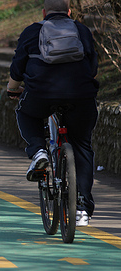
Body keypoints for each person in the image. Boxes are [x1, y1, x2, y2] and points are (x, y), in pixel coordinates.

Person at [7, 0, 98, 226]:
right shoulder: (82, 30)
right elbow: (94, 66)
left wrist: (11, 90)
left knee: (25, 113)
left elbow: (17, 68)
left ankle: (38, 151)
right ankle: (83, 210)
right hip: (81, 95)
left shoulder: (32, 31)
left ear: (44, 12)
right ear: (69, 12)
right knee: (82, 146)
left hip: (41, 93)